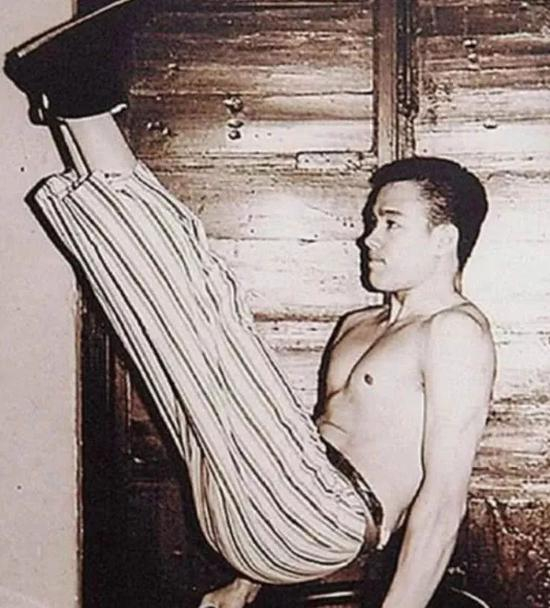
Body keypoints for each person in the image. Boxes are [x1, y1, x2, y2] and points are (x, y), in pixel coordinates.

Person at [4, 4, 496, 607]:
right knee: (173, 351)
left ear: (444, 239)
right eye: (372, 222)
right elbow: (265, 444)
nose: (370, 238)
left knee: (206, 309)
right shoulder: (359, 325)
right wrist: (245, 582)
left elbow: (444, 498)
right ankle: (72, 104)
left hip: (328, 521)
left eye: (391, 223)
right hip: (262, 520)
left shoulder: (454, 332)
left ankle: (80, 93)